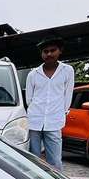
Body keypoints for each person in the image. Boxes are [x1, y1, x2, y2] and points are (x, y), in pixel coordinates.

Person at [25, 36, 74, 171]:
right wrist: (36, 111)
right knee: (33, 157)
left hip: (54, 121)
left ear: (60, 51)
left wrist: (59, 112)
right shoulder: (33, 74)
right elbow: (29, 99)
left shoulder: (67, 71)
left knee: (55, 160)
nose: (49, 54)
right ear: (42, 54)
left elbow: (68, 95)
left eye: (53, 50)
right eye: (45, 51)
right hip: (34, 120)